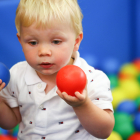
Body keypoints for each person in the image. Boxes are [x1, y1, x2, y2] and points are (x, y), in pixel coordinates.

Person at [0, 0, 114, 139]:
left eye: (56, 42)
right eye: (33, 42)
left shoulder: (92, 79)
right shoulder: (17, 74)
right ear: (21, 40)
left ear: (76, 41)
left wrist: (82, 105)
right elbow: (10, 123)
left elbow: (104, 131)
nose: (44, 51)